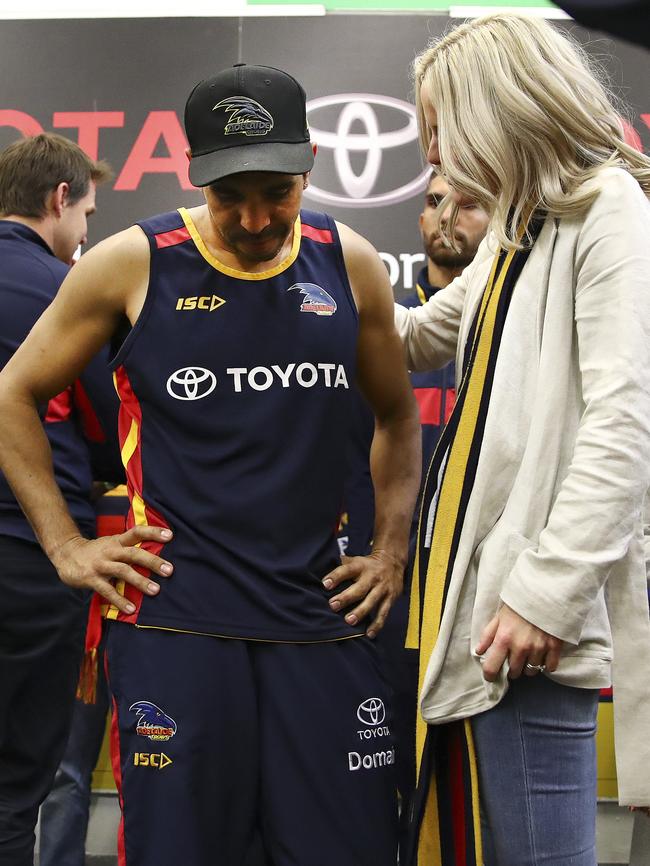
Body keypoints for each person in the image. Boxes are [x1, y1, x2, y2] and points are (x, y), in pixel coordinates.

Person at [0, 64, 421, 866]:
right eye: (231, 196)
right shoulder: (132, 262)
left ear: (308, 169)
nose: (256, 217)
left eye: (276, 192)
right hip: (177, 621)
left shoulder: (350, 261)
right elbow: (12, 394)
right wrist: (65, 545)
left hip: (317, 620)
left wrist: (391, 549)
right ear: (196, 176)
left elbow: (398, 418)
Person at [395, 14, 650, 866]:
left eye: (440, 126)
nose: (433, 154)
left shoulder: (607, 209)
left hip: (525, 617)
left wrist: (547, 592)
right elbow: (419, 336)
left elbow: (627, 422)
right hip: (483, 606)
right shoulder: (519, 226)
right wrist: (304, 273)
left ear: (495, 108)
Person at [0, 132, 112, 866]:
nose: (86, 235)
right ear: (59, 198)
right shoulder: (69, 292)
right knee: (13, 786)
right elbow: (114, 429)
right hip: (32, 560)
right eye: (89, 215)